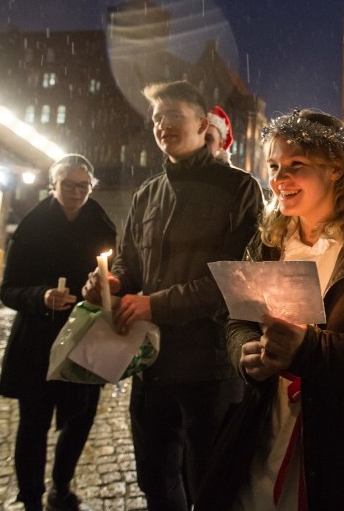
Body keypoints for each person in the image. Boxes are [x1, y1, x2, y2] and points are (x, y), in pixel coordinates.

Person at [197, 109, 344, 510]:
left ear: (336, 168)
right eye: (273, 166)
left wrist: (308, 349)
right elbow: (238, 319)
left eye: (296, 166)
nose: (279, 179)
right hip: (266, 428)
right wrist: (246, 352)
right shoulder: (270, 239)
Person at [82, 81, 263, 510]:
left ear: (203, 125)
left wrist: (155, 304)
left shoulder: (239, 189)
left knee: (211, 481)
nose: (163, 126)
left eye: (174, 117)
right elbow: (128, 263)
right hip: (151, 363)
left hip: (210, 365)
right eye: (157, 118)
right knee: (154, 477)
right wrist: (111, 284)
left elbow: (235, 281)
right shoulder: (147, 194)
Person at [0, 154, 116, 511]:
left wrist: (105, 287)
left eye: (84, 185)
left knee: (80, 419)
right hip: (36, 342)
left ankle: (61, 486)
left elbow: (115, 271)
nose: (77, 192)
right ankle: (31, 497)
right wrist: (41, 295)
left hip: (85, 338)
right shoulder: (33, 225)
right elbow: (9, 289)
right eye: (69, 185)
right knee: (33, 425)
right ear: (54, 184)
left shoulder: (100, 222)